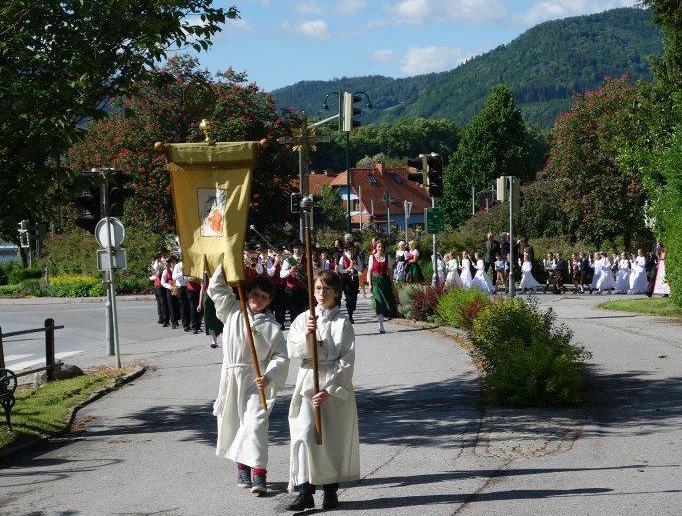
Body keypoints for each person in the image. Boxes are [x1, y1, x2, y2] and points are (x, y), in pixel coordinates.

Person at [208, 266, 289, 496]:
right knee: (234, 423)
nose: (258, 299)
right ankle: (242, 467)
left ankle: (259, 473)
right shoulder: (232, 311)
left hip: (256, 380)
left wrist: (269, 377)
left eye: (264, 297)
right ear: (247, 293)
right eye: (255, 294)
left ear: (269, 301)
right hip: (232, 378)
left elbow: (281, 357)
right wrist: (224, 265)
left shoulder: (273, 327)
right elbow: (218, 290)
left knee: (255, 425)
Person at [285, 271, 360, 511]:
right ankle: (304, 491)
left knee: (330, 439)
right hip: (309, 380)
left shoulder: (343, 323)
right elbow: (293, 350)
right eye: (318, 288)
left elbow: (347, 360)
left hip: (332, 385)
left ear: (336, 292)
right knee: (305, 432)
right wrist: (307, 334)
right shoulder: (303, 318)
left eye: (327, 288)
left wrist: (329, 389)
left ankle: (330, 491)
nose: (321, 293)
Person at [367, 240, 396, 334]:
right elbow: (369, 271)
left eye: (382, 247)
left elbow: (390, 271)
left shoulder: (387, 257)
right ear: (376, 247)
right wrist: (370, 284)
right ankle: (381, 324)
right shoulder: (372, 257)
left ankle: (383, 319)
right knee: (379, 301)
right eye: (379, 246)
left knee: (386, 302)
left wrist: (392, 283)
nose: (380, 248)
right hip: (376, 281)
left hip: (385, 281)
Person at [280, 241, 307, 323]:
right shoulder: (289, 259)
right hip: (291, 290)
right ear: (293, 249)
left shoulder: (307, 259)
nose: (297, 250)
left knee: (302, 312)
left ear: (303, 249)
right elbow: (282, 275)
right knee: (293, 312)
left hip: (303, 288)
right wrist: (290, 270)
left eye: (299, 248)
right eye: (295, 248)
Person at [338, 242, 362, 324]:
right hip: (346, 280)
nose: (351, 251)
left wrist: (355, 266)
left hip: (354, 279)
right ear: (346, 250)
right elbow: (341, 270)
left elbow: (360, 269)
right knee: (348, 298)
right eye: (349, 249)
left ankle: (352, 307)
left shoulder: (356, 257)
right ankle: (350, 316)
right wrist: (349, 268)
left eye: (352, 249)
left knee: (354, 297)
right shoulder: (343, 258)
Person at [198, 271, 223, 348]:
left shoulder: (218, 271)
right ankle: (214, 340)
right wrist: (199, 304)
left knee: (221, 318)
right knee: (210, 319)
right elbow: (202, 288)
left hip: (218, 296)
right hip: (208, 298)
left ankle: (225, 338)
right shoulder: (204, 274)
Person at [150, 250, 169, 326]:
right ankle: (162, 317)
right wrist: (158, 262)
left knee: (163, 301)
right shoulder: (156, 263)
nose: (161, 256)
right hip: (158, 284)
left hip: (163, 283)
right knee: (161, 301)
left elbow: (165, 269)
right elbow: (155, 271)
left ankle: (164, 318)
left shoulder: (165, 261)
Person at [161, 256, 180, 329]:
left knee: (177, 305)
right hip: (170, 289)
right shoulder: (166, 271)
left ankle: (177, 320)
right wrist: (170, 287)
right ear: (170, 263)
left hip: (177, 288)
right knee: (171, 306)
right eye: (172, 262)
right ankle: (173, 322)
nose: (174, 263)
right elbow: (163, 282)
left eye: (175, 262)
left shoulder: (178, 270)